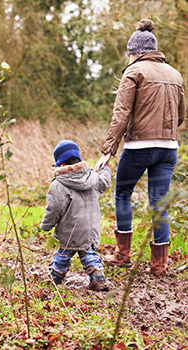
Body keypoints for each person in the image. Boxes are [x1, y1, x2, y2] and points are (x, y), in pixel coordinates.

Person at [95, 19, 186, 276]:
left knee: (123, 192)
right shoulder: (175, 74)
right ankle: (159, 265)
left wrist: (108, 150)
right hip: (168, 148)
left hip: (138, 147)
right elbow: (181, 116)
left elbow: (121, 114)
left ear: (135, 52)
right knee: (159, 204)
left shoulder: (133, 72)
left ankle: (123, 254)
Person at [41, 140, 111, 291]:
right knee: (88, 252)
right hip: (90, 230)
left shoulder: (59, 184)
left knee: (63, 255)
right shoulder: (92, 177)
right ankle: (98, 277)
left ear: (60, 164)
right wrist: (104, 167)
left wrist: (46, 225)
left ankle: (55, 277)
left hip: (69, 231)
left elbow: (54, 208)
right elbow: (104, 181)